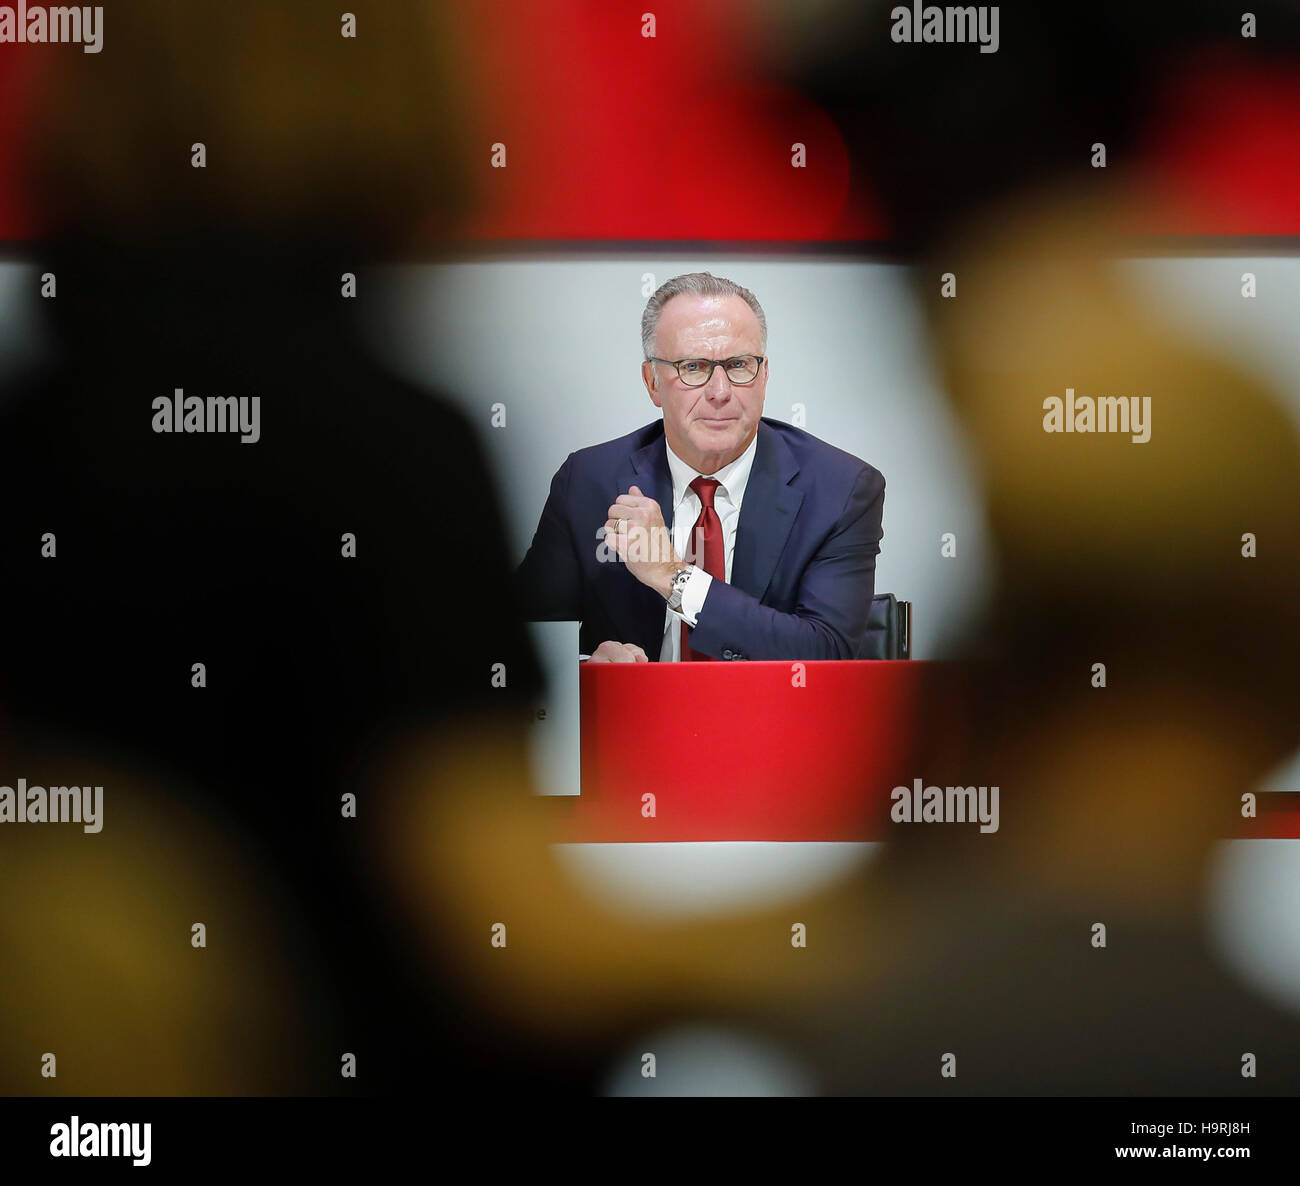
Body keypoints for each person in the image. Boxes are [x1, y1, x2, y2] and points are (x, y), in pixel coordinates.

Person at [517, 272, 885, 662]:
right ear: (653, 383)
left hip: (775, 721)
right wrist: (587, 665)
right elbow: (524, 641)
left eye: (739, 365)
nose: (720, 392)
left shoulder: (841, 490)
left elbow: (825, 654)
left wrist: (672, 576)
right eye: (693, 367)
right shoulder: (589, 481)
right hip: (635, 721)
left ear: (764, 375)